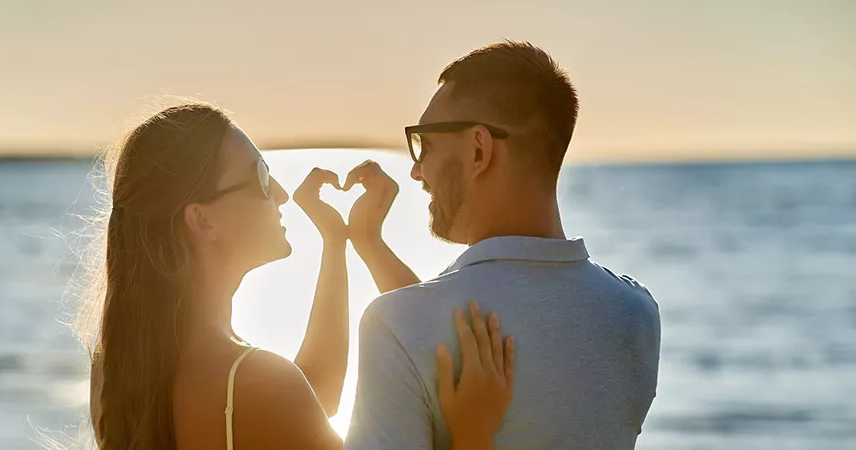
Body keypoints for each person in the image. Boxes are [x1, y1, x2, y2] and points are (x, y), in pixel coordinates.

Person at [79, 102, 515, 450]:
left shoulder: (118, 366)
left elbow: (312, 393)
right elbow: (293, 401)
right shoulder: (254, 386)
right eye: (261, 177)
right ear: (202, 221)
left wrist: (339, 242)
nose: (282, 193)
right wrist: (472, 434)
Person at [342, 41, 662, 449]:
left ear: (479, 150)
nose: (417, 170)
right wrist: (371, 244)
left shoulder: (396, 326)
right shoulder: (636, 314)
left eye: (425, 143)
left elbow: (416, 326)